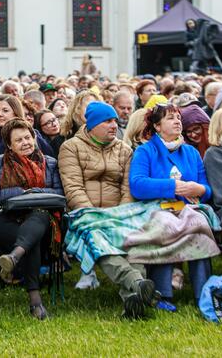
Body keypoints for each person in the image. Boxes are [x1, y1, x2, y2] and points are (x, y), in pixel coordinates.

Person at [59, 102, 158, 315]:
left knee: (134, 239)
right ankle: (136, 281)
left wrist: (120, 215)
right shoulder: (71, 147)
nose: (114, 125)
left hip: (119, 212)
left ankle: (134, 296)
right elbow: (73, 187)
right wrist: (94, 216)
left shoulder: (124, 149)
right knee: (97, 239)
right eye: (107, 121)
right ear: (93, 124)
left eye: (115, 121)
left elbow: (127, 188)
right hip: (86, 213)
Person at [129, 104, 216, 312]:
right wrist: (172, 186)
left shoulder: (191, 153)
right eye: (170, 118)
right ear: (157, 126)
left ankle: (203, 291)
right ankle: (162, 293)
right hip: (156, 208)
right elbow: (137, 185)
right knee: (166, 224)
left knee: (199, 224)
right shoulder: (145, 151)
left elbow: (207, 189)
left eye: (178, 118)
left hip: (188, 209)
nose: (178, 121)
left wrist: (198, 188)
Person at [0, 119, 64, 320]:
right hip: (4, 220)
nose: (26, 142)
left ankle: (15, 258)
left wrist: (34, 192)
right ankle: (35, 302)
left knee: (37, 221)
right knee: (29, 239)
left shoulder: (50, 163)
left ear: (34, 138)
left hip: (42, 219)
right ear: (9, 145)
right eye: (18, 140)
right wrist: (19, 192)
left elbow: (60, 194)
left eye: (28, 137)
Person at [0, 95, 54, 175]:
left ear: (16, 113)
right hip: (2, 182)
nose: (0, 114)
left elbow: (50, 156)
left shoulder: (33, 133)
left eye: (5, 110)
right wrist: (10, 138)